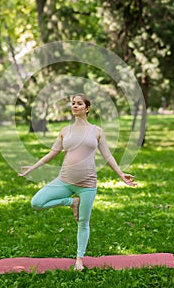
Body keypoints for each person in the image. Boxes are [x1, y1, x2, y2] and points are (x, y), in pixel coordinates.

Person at [18, 93, 136, 271]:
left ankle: (79, 259)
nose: (74, 106)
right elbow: (53, 153)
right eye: (73, 103)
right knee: (37, 202)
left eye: (79, 104)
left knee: (83, 222)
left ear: (87, 108)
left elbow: (107, 155)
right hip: (64, 180)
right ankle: (71, 202)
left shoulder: (96, 131)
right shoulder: (65, 131)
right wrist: (32, 168)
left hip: (87, 185)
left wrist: (121, 175)